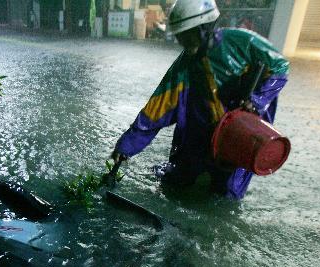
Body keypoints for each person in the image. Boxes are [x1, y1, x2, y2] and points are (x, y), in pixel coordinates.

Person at [111, 0, 289, 199]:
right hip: (199, 129)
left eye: (186, 34)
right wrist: (126, 146)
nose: (182, 41)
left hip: (239, 133)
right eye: (179, 36)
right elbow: (158, 107)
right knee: (175, 181)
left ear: (204, 28)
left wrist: (257, 100)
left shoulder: (242, 41)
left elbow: (280, 66)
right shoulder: (184, 65)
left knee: (225, 193)